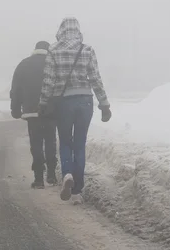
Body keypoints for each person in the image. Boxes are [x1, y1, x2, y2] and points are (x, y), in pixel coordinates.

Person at [38, 17, 111, 205]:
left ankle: (67, 173)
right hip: (85, 102)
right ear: (77, 30)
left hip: (64, 103)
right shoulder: (87, 50)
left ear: (61, 30)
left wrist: (43, 103)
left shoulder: (53, 51)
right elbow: (96, 78)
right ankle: (77, 191)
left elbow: (48, 81)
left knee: (65, 142)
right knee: (79, 144)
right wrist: (104, 104)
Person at [10, 40, 58, 189]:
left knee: (36, 144)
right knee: (50, 142)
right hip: (50, 111)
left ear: (35, 49)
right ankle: (51, 173)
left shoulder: (23, 64)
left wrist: (15, 109)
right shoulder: (53, 64)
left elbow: (16, 89)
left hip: (32, 112)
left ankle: (38, 179)